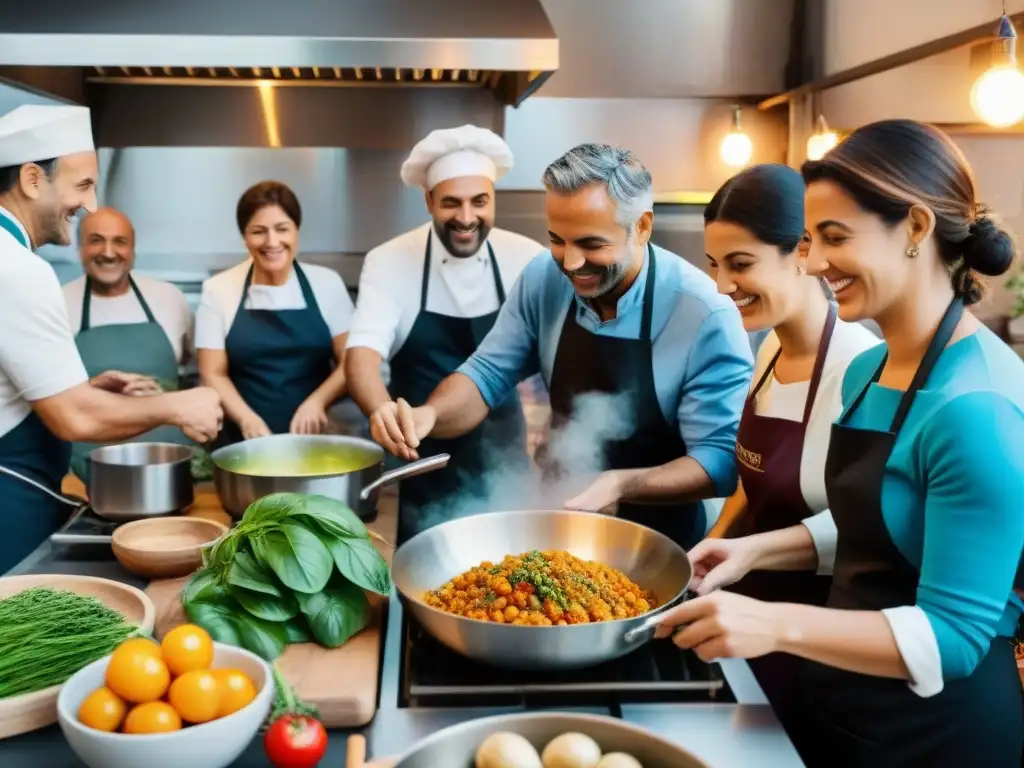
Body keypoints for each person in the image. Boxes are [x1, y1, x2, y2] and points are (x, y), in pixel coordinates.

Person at [654, 120, 1024, 767]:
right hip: (848, 701)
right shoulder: (869, 370)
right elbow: (872, 520)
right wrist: (753, 549)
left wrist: (773, 624)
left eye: (834, 237)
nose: (816, 263)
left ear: (914, 228)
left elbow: (955, 637)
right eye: (808, 240)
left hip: (938, 734)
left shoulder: (979, 406)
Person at [369, 143, 753, 550]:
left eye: (591, 244)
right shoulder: (542, 278)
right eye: (557, 239)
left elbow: (719, 461)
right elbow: (487, 373)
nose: (570, 263)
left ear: (641, 226)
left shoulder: (704, 314)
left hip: (664, 546)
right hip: (561, 523)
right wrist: (430, 415)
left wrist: (620, 484)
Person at [0, 104, 222, 571]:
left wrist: (85, 390)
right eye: (82, 185)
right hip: (10, 503)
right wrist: (177, 405)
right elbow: (76, 419)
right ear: (32, 180)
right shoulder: (20, 269)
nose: (90, 205)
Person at [697, 163, 879, 730]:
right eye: (715, 266)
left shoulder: (859, 365)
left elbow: (864, 524)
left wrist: (747, 552)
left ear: (802, 251)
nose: (723, 286)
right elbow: (753, 483)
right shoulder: (769, 350)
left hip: (820, 627)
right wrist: (709, 548)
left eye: (740, 264)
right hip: (750, 611)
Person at [345, 125, 544, 544]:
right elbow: (362, 353)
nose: (467, 218)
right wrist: (380, 409)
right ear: (429, 200)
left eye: (480, 202)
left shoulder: (528, 258)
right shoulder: (390, 260)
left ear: (494, 200)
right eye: (451, 203)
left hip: (505, 458)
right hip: (420, 458)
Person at [196, 180, 354, 444]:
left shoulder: (327, 284)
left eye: (282, 229)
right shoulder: (218, 289)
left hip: (315, 440)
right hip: (243, 442)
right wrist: (247, 419)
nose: (272, 242)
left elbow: (351, 362)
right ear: (244, 237)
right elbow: (212, 372)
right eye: (258, 231)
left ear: (296, 231)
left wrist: (317, 402)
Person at [62, 206, 196, 479]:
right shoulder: (58, 304)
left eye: (119, 242)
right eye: (96, 240)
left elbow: (193, 370)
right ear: (79, 249)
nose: (108, 252)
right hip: (89, 469)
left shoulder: (169, 298)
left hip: (170, 460)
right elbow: (52, 396)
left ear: (133, 250)